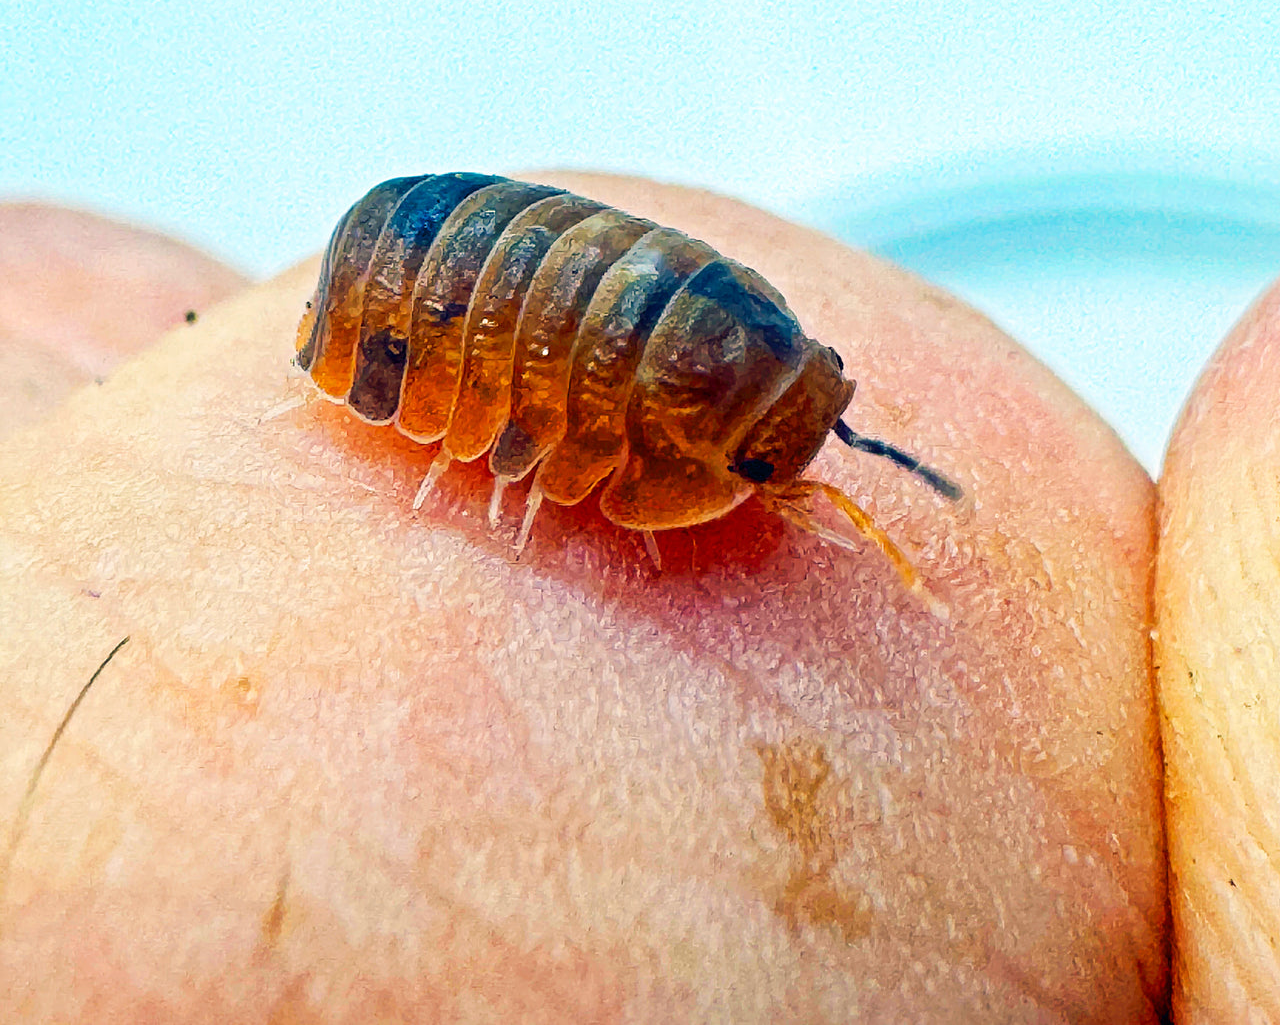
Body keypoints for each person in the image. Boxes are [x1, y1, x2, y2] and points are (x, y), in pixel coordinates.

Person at [0, 177, 1171, 1021]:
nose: (785, 464)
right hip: (412, 266)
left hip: (459, 243)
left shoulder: (733, 335)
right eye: (762, 457)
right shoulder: (645, 381)